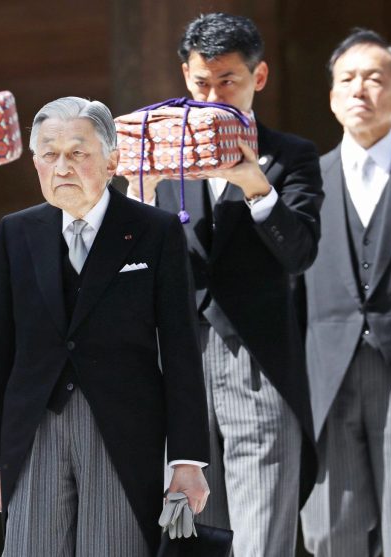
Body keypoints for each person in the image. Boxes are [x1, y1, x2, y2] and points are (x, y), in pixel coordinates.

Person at [124, 13, 323, 556]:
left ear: (259, 78)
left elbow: (300, 253)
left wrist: (257, 186)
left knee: (259, 539)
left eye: (227, 82)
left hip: (257, 362)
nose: (212, 97)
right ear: (184, 77)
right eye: (200, 83)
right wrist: (139, 197)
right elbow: (128, 272)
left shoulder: (291, 156)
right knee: (193, 540)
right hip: (178, 365)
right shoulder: (158, 152)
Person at [0, 96, 210, 556]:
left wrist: (186, 459)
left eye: (77, 153)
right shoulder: (16, 232)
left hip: (123, 428)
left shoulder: (155, 230)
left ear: (112, 160)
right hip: (35, 428)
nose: (62, 167)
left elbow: (181, 347)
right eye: (49, 154)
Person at [300, 28, 391, 557]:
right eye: (347, 80)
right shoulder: (304, 180)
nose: (359, 90)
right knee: (331, 529)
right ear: (331, 98)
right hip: (325, 373)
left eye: (374, 79)